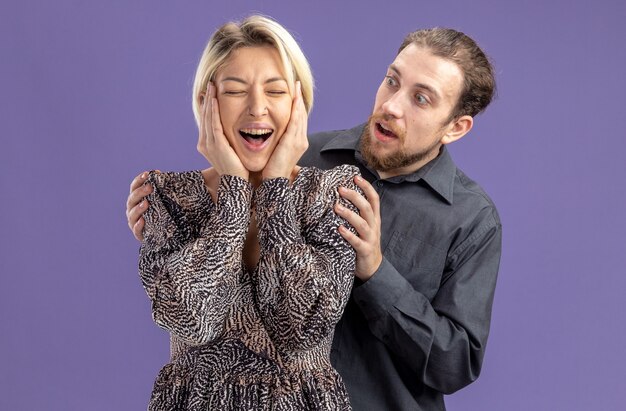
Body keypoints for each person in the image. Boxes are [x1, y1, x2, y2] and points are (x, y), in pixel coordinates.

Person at [127, 26, 502, 411]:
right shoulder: (301, 155)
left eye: (421, 98)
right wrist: (165, 222)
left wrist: (375, 271)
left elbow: (454, 364)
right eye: (392, 81)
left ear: (456, 127)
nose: (391, 105)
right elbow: (224, 224)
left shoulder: (472, 219)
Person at [135, 15, 360, 410]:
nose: (257, 108)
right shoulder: (168, 197)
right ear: (207, 100)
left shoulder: (331, 195)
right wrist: (235, 192)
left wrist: (274, 185)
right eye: (236, 91)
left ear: (298, 102)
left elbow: (300, 329)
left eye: (275, 91)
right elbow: (192, 319)